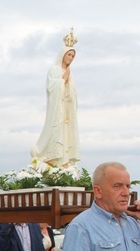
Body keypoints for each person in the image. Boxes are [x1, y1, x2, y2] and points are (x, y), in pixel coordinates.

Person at [31, 29, 80, 172]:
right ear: (63, 54)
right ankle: (52, 158)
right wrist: (62, 80)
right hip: (57, 108)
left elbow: (73, 92)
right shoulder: (54, 69)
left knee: (66, 133)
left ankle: (65, 160)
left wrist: (68, 88)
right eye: (69, 55)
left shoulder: (70, 73)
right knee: (56, 131)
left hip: (66, 108)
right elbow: (51, 87)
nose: (70, 58)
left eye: (73, 56)